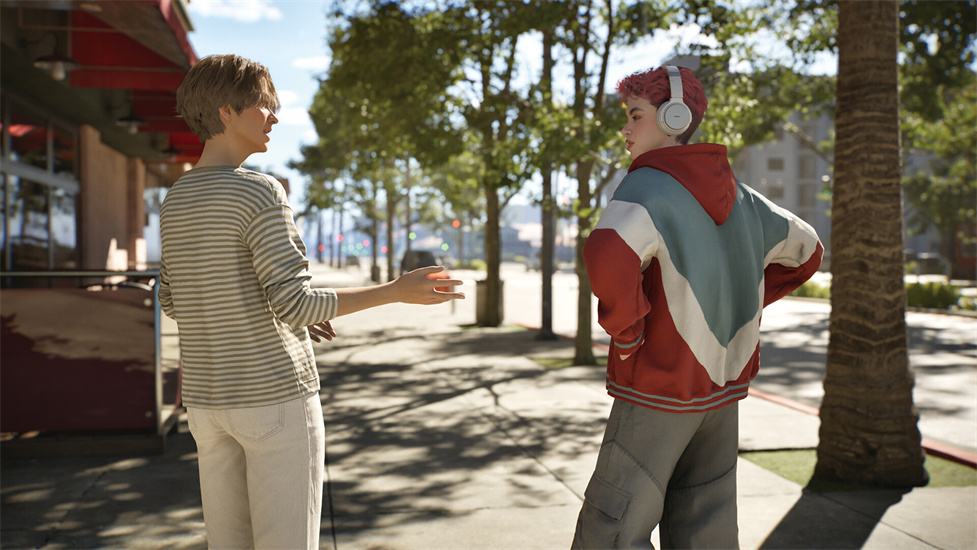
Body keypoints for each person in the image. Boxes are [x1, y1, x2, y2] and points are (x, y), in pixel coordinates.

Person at [160, 54, 464, 549]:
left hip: (207, 404)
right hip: (273, 397)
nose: (274, 118)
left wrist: (280, 312)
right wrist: (395, 291)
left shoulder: (176, 199)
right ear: (226, 112)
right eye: (264, 105)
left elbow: (174, 300)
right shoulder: (260, 192)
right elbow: (296, 304)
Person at [573, 65, 822, 549]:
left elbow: (608, 251)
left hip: (657, 391)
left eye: (635, 115)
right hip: (721, 396)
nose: (625, 129)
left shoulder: (646, 187)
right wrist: (744, 303)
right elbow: (809, 249)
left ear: (675, 117)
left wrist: (628, 335)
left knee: (612, 530)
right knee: (707, 530)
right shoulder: (746, 199)